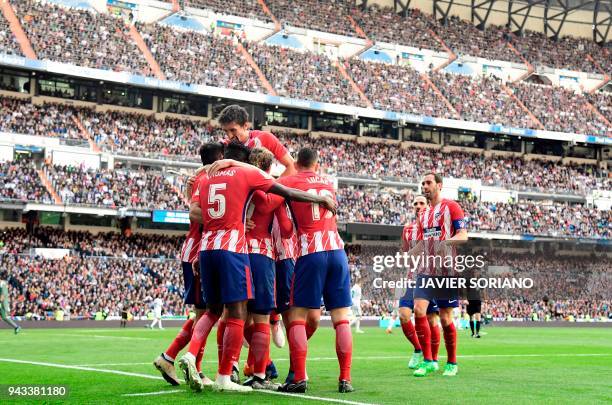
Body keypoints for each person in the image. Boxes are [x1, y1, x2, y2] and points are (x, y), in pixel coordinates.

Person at [178, 143, 336, 393]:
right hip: (252, 252)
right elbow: (285, 226)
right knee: (258, 315)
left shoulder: (208, 177)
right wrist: (317, 200)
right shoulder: (256, 182)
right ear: (267, 167)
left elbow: (194, 212)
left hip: (209, 247)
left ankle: (222, 365)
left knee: (221, 312)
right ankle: (258, 372)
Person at [276, 147, 354, 394]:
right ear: (317, 164)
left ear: (296, 163)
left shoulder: (288, 180)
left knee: (297, 316)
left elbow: (287, 229)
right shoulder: (328, 183)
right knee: (341, 318)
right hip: (338, 252)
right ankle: (345, 379)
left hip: (311, 252)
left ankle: (298, 377)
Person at [154, 142, 224, 387]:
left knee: (206, 312)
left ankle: (173, 358)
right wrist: (224, 224)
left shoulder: (201, 178)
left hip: (201, 248)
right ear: (221, 158)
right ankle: (182, 362)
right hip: (199, 250)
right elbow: (194, 214)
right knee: (205, 313)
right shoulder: (208, 178)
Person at [411, 173, 468, 378]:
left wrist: (445, 243)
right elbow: (421, 242)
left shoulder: (451, 207)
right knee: (419, 310)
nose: (425, 185)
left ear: (439, 185)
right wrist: (408, 255)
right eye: (423, 183)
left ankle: (452, 362)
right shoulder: (423, 215)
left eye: (428, 182)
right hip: (426, 269)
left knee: (445, 318)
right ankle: (428, 361)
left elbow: (463, 235)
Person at [398, 195, 441, 370]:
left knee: (431, 318)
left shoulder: (434, 227)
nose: (418, 206)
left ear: (428, 206)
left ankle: (434, 360)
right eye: (415, 203)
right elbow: (404, 254)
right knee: (403, 314)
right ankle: (418, 349)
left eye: (421, 203)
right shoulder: (408, 230)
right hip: (412, 278)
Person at [217, 104, 295, 177]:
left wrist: (272, 186)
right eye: (225, 131)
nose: (229, 136)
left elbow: (292, 166)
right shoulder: (223, 145)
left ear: (245, 126)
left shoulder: (265, 138)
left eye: (233, 130)